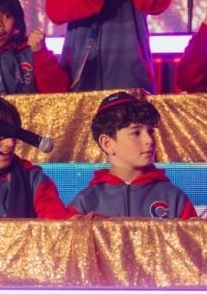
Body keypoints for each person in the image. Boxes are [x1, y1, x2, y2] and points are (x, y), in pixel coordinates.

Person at [68, 92, 197, 219]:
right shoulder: (84, 203)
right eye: (136, 133)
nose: (149, 140)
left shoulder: (175, 199)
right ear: (107, 144)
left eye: (150, 131)